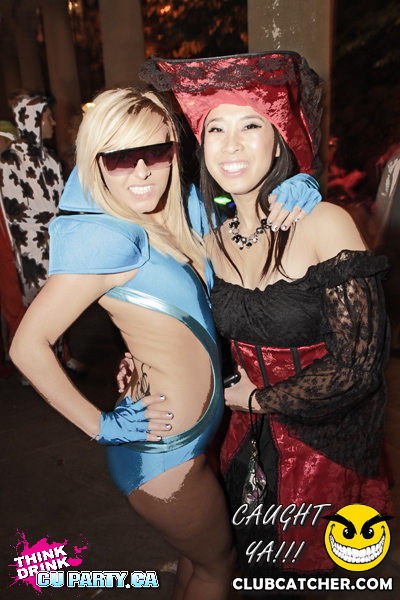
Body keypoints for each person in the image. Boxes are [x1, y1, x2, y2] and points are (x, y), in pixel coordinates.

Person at [141, 51, 393, 582]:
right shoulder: (210, 242)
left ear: (280, 139)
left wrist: (258, 399)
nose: (230, 145)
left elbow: (360, 366)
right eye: (215, 129)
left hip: (326, 446)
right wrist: (142, 362)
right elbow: (195, 337)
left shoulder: (324, 223)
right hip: (244, 445)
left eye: (250, 125)